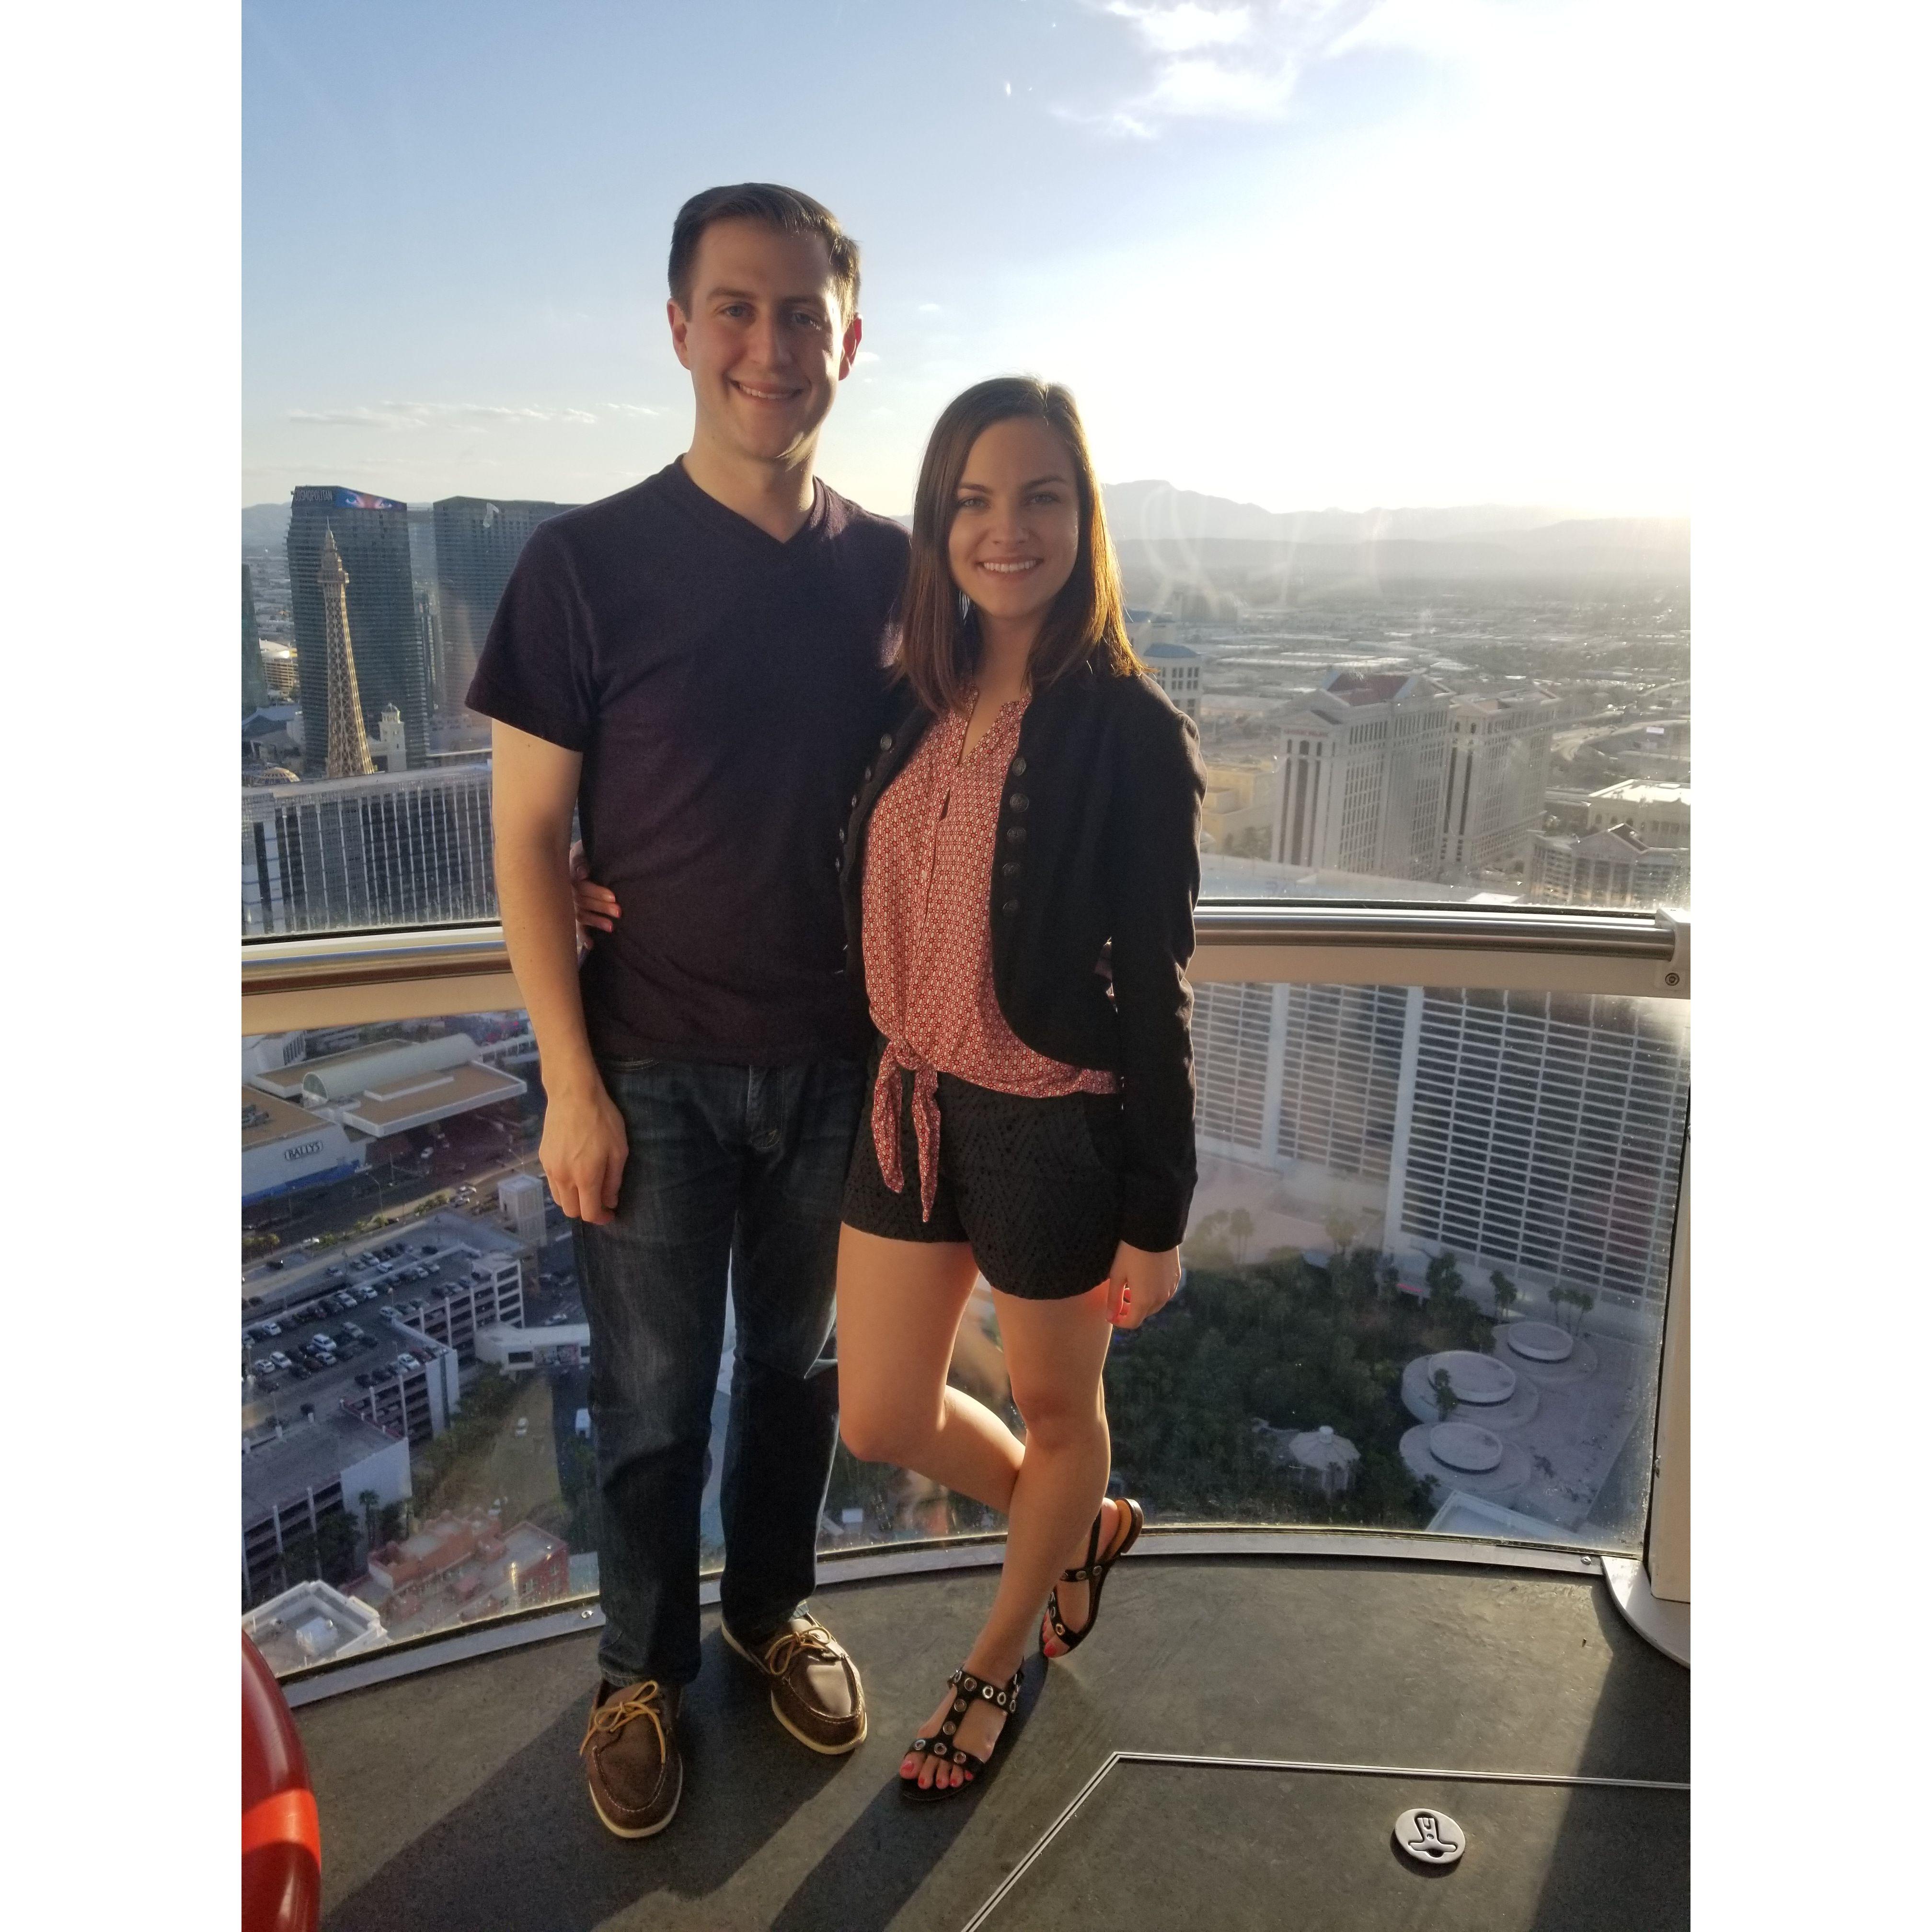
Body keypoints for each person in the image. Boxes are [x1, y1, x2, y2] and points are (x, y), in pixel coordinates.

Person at [471, 183, 908, 1841]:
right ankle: (636, 1674)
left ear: (850, 344)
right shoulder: (583, 566)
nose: (769, 346)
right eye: (736, 308)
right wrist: (568, 1084)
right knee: (651, 1405)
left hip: (840, 1065)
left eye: (803, 314)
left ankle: (767, 1615)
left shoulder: (899, 574)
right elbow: (527, 838)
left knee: (795, 1378)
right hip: (646, 1064)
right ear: (677, 330)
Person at [832, 377, 1205, 1800]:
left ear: (1084, 516)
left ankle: (994, 1664)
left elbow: (1158, 985)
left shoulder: (1129, 730)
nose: (1008, 529)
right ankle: (1075, 1527)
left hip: (1053, 1120)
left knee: (1057, 1411)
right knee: (878, 1415)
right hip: (909, 1105)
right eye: (975, 501)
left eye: (1042, 496)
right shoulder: (910, 701)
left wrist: (1157, 1217)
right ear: (939, 524)